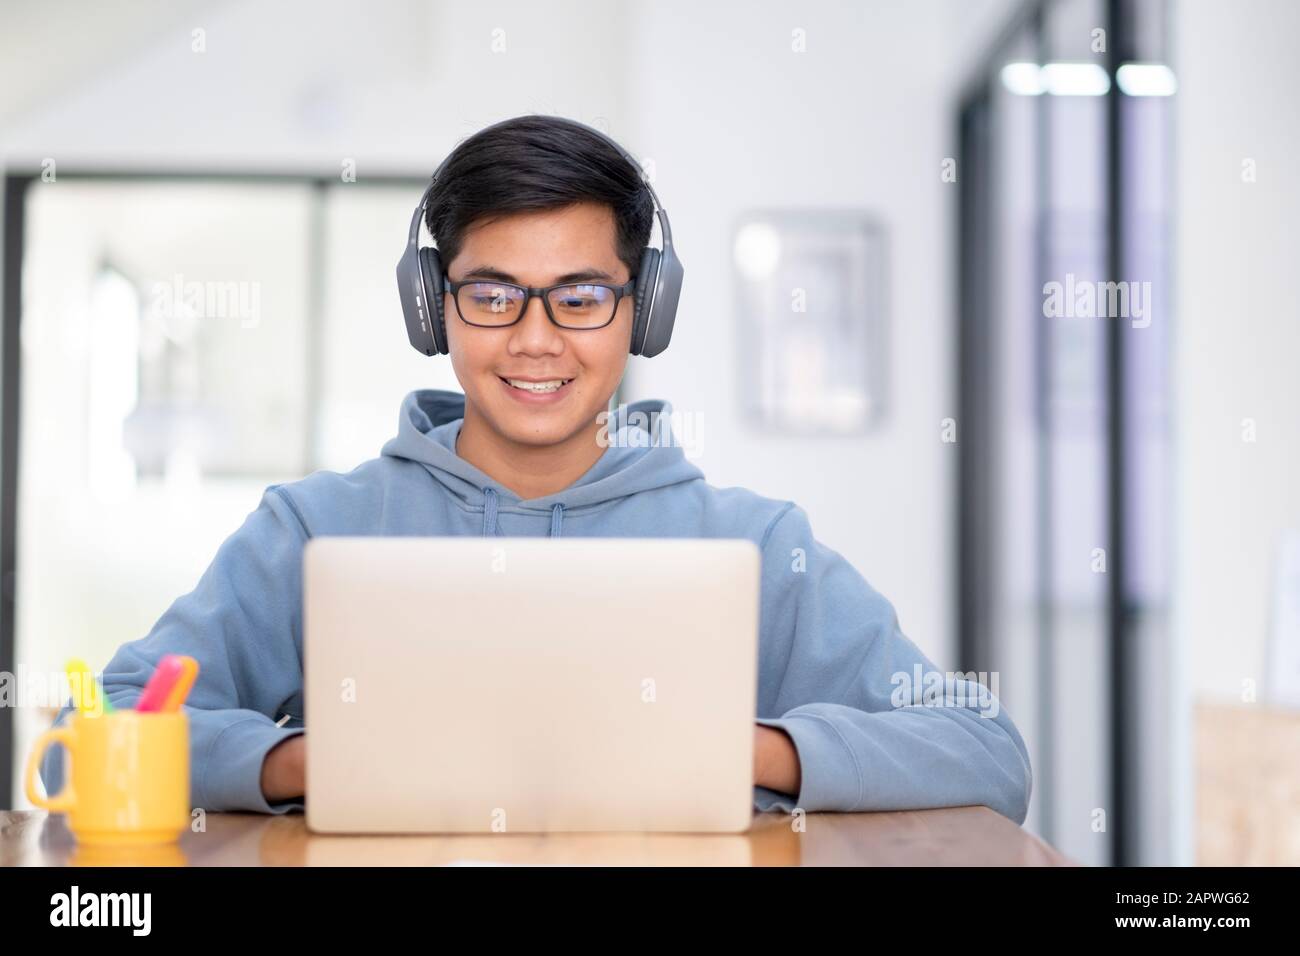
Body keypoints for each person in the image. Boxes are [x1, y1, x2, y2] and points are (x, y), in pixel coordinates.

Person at [42, 114, 1031, 823]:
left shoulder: (754, 542)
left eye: (581, 296)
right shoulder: (313, 527)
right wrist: (308, 762)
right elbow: (99, 727)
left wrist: (756, 750)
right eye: (492, 295)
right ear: (433, 305)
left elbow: (989, 750)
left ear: (644, 306)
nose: (535, 340)